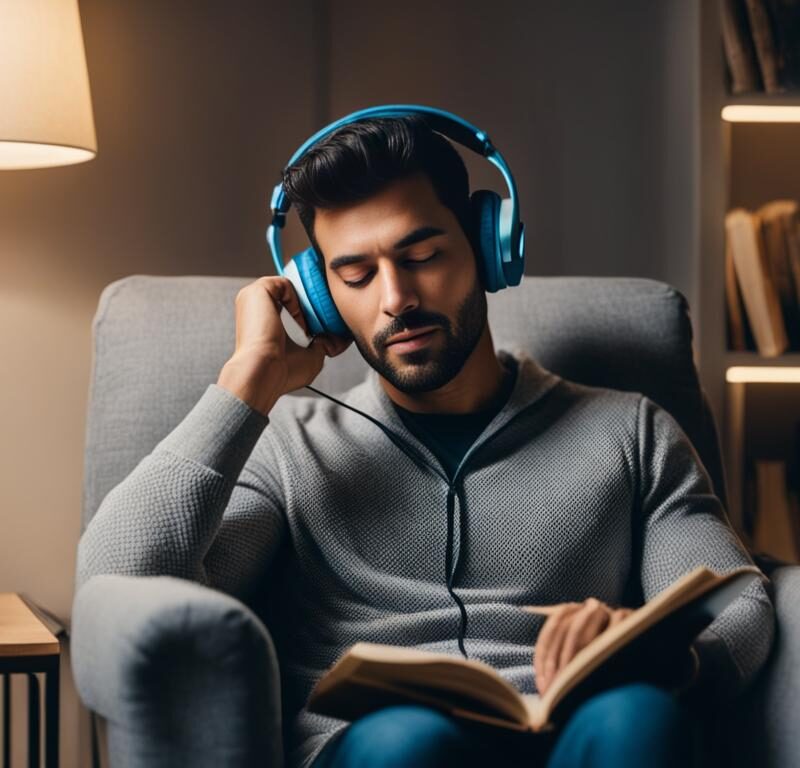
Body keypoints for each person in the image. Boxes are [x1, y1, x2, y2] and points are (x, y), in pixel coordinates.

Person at [76, 114, 775, 768]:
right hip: (382, 748)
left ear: (488, 246)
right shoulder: (291, 446)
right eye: (355, 275)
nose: (396, 299)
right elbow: (117, 577)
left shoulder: (631, 431)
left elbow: (739, 602)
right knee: (411, 740)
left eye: (424, 254)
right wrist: (246, 385)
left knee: (639, 719)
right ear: (319, 294)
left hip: (574, 735)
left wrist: (665, 658)